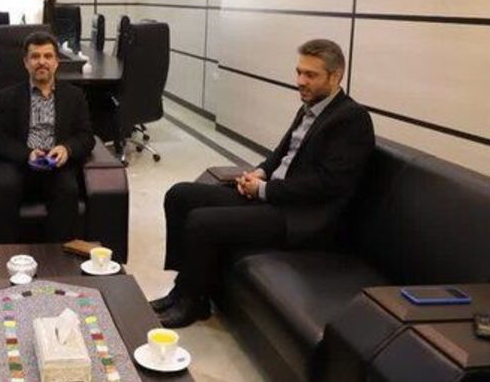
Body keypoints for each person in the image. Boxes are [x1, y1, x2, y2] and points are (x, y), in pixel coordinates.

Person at [153, 39, 375, 328]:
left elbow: (327, 184)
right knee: (179, 195)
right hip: (276, 198)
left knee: (201, 221)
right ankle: (183, 287)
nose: (300, 81)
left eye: (311, 75)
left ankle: (193, 302)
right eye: (299, 72)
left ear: (336, 76)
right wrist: (260, 172)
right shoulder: (310, 107)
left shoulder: (352, 119)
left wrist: (264, 189)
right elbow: (281, 154)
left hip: (301, 218)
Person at [0, 31, 95, 242]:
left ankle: (59, 257)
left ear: (57, 62)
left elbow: (86, 136)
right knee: (4, 186)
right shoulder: (6, 97)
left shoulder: (74, 96)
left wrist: (67, 149)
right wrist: (27, 154)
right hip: (18, 163)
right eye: (35, 56)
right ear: (26, 63)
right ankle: (4, 255)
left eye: (48, 56)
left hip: (56, 165)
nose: (42, 62)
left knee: (68, 189)